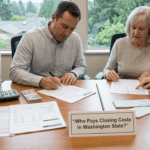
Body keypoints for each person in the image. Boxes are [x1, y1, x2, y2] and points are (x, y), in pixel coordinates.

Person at [9, 1, 87, 90]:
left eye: (72, 29)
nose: (67, 33)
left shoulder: (75, 39)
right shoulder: (30, 37)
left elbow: (81, 66)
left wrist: (74, 73)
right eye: (64, 26)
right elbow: (15, 72)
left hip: (66, 90)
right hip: (38, 90)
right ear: (54, 18)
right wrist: (41, 81)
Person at [103, 6, 150, 82]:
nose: (136, 33)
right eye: (133, 27)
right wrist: (108, 73)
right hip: (121, 89)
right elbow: (108, 69)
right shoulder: (120, 43)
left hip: (146, 90)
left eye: (141, 29)